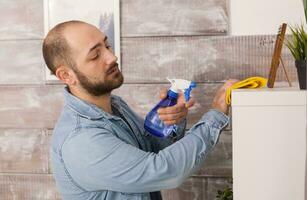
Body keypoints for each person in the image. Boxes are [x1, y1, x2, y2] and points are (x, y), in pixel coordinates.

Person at [42, 20, 237, 200]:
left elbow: (151, 151)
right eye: (95, 55)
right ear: (66, 75)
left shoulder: (116, 106)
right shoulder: (81, 140)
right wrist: (216, 113)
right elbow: (162, 170)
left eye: (107, 46)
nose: (112, 56)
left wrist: (171, 122)